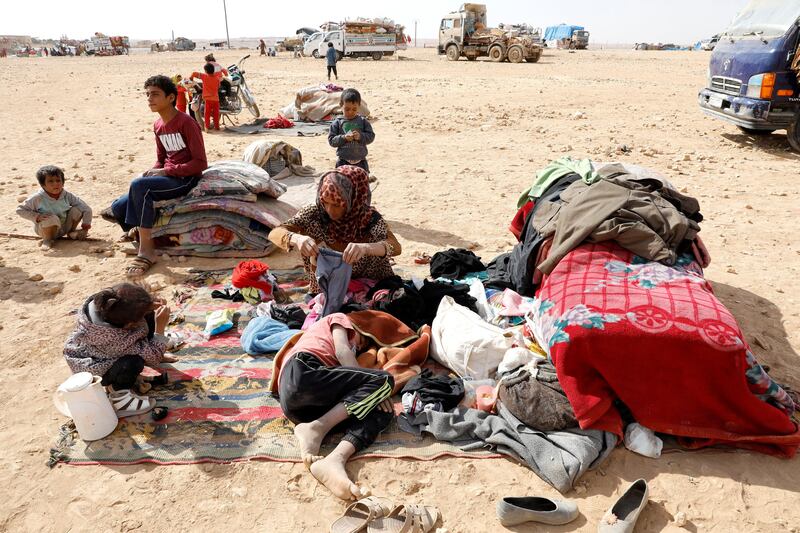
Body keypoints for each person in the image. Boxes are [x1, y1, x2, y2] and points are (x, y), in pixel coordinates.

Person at [272, 312, 394, 500]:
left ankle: (336, 459)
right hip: (303, 373)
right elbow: (342, 351)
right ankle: (317, 428)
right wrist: (373, 384)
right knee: (386, 380)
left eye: (361, 348)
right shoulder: (338, 319)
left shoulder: (335, 373)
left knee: (381, 411)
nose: (359, 346)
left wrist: (372, 395)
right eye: (361, 340)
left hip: (303, 408)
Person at [108, 75, 208, 276]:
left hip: (185, 178)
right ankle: (138, 233)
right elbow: (161, 159)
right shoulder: (158, 125)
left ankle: (147, 250)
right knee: (117, 207)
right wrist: (152, 172)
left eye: (155, 94)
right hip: (168, 176)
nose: (149, 99)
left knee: (139, 187)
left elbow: (200, 163)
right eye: (147, 95)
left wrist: (166, 171)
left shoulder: (186, 123)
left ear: (171, 97)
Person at [268, 165, 400, 292]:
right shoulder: (315, 213)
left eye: (337, 205)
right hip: (326, 287)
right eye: (325, 202)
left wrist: (366, 248)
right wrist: (296, 238)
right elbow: (275, 233)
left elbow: (396, 247)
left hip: (370, 286)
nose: (330, 210)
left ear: (354, 199)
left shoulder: (369, 219)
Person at [63, 283, 176, 417]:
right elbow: (153, 360)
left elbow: (129, 304)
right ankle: (120, 399)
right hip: (98, 370)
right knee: (133, 362)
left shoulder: (103, 306)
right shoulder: (113, 340)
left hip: (104, 350)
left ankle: (151, 346)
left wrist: (148, 304)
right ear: (129, 325)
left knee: (149, 313)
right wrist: (160, 330)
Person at [16, 165, 92, 251]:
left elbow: (86, 209)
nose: (55, 184)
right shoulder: (38, 198)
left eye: (58, 180)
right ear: (43, 185)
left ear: (63, 182)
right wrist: (37, 216)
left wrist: (85, 229)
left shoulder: (67, 195)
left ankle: (71, 232)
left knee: (77, 210)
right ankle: (47, 240)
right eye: (50, 181)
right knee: (51, 218)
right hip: (45, 229)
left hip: (63, 228)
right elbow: (20, 210)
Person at [328, 88, 374, 173]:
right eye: (347, 109)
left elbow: (371, 136)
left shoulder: (363, 121)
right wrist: (343, 138)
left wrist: (360, 136)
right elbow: (331, 141)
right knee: (343, 183)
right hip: (343, 162)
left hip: (361, 162)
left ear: (359, 106)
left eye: (354, 109)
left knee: (361, 183)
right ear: (341, 105)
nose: (350, 112)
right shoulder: (337, 123)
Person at [191, 63, 221, 131]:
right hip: (216, 99)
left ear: (206, 71)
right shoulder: (217, 78)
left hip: (207, 99)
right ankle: (217, 127)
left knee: (207, 113)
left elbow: (194, 73)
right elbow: (218, 86)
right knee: (216, 113)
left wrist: (191, 79)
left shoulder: (204, 76)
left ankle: (207, 127)